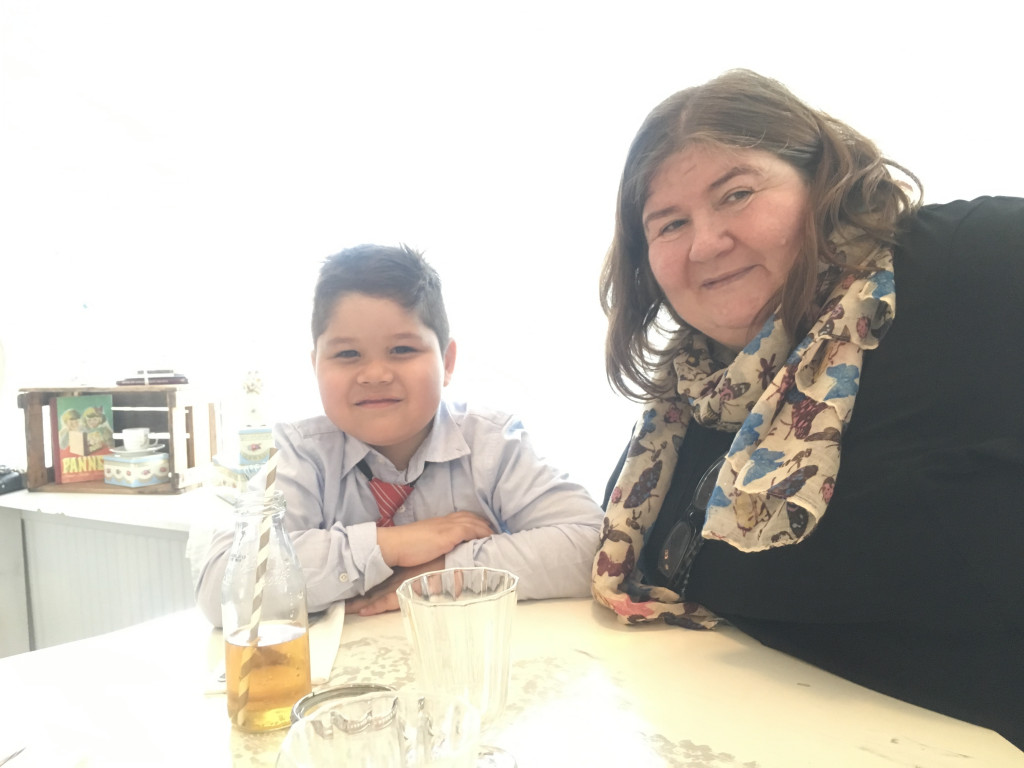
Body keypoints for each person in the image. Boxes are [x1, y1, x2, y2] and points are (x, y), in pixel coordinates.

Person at [591, 69, 1024, 749]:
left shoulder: (969, 263)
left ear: (822, 178)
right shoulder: (688, 401)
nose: (706, 243)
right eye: (670, 224)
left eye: (737, 194)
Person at [194, 244, 603, 624]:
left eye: (402, 350)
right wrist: (391, 545)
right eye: (347, 354)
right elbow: (222, 586)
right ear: (315, 364)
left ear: (447, 362)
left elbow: (593, 547)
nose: (374, 374)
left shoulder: (493, 444)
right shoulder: (299, 455)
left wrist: (444, 570)